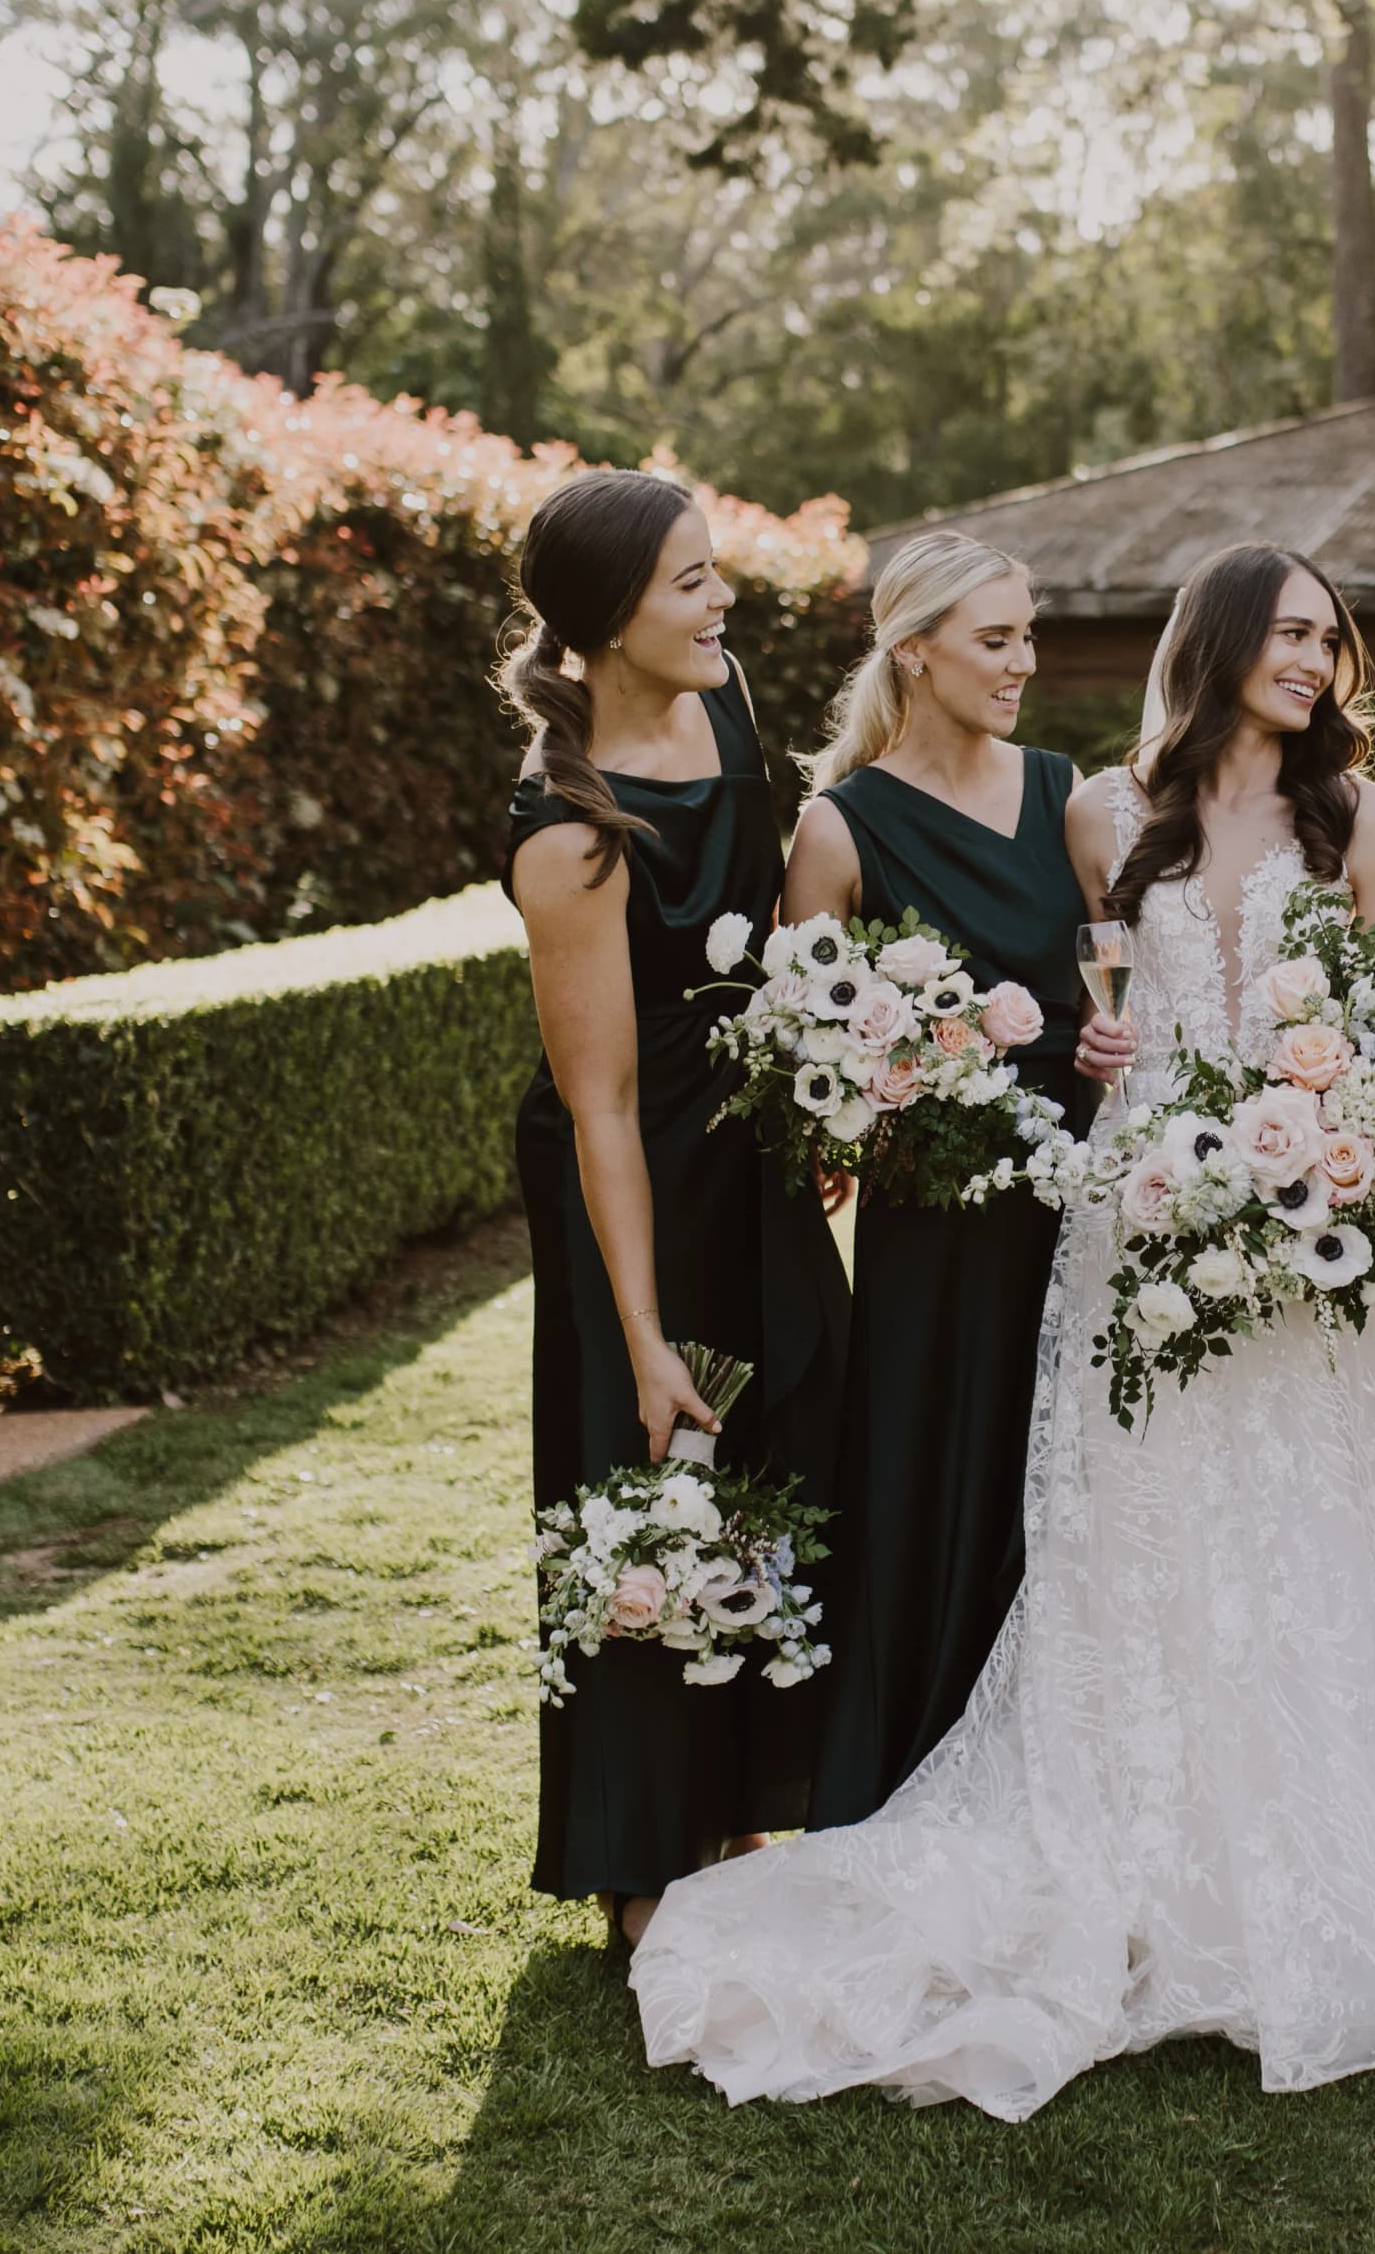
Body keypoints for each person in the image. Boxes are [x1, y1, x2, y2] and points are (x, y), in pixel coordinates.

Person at [630, 544, 1375, 2118]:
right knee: (1148, 1559)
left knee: (1338, 1547)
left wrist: (1336, 1147)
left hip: (1326, 1230)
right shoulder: (1102, 814)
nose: (1318, 661)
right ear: (1225, 639)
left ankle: (1353, 1853)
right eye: (1293, 633)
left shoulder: (1368, 824)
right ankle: (1149, 1856)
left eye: (1332, 638)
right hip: (1139, 1226)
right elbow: (1078, 1008)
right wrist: (1109, 1052)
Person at [502, 469, 851, 1953]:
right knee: (654, 1466)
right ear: (605, 622)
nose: (725, 606)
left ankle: (752, 1798)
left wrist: (819, 1082)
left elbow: (770, 938)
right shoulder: (565, 833)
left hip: (751, 1153)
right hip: (632, 1174)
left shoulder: (732, 709)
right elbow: (600, 1103)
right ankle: (642, 1861)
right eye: (691, 585)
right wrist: (640, 1331)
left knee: (789, 1430)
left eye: (719, 576)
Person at [781, 532, 1098, 1823]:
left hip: (1077, 1199)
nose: (1023, 662)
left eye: (1028, 634)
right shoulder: (837, 829)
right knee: (933, 1471)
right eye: (995, 638)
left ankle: (1061, 1774)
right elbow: (804, 1061)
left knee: (1063, 1476)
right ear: (913, 648)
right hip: (932, 1223)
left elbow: (1116, 973)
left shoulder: (1065, 793)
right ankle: (914, 1770)